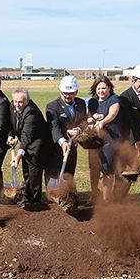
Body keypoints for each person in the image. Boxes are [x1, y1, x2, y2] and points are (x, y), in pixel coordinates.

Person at [45, 75, 87, 210]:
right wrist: (63, 142)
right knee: (54, 175)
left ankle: (68, 199)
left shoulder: (81, 104)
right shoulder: (52, 106)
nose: (68, 96)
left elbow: (84, 121)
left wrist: (79, 129)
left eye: (71, 93)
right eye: (65, 93)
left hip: (72, 147)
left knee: (68, 173)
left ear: (76, 92)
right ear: (60, 92)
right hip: (55, 148)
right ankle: (54, 201)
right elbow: (54, 128)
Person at [9, 88, 52, 205]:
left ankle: (34, 201)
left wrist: (18, 154)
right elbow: (12, 123)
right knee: (26, 171)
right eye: (15, 101)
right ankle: (27, 197)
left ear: (27, 101)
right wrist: (11, 135)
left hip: (38, 145)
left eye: (20, 102)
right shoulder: (12, 106)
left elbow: (27, 135)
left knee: (34, 173)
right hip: (26, 143)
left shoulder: (31, 112)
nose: (17, 104)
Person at [117, 64, 140, 199]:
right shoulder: (125, 97)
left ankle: (122, 196)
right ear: (133, 80)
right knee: (125, 168)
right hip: (127, 138)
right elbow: (126, 122)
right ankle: (117, 196)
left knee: (133, 167)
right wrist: (136, 141)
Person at [87, 76, 122, 203]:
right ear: (95, 89)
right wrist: (91, 120)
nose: (101, 91)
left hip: (110, 140)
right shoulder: (92, 102)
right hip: (95, 140)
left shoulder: (114, 100)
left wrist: (102, 122)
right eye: (99, 88)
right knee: (94, 167)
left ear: (109, 88)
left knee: (107, 169)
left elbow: (112, 114)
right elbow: (89, 118)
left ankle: (106, 199)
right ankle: (94, 194)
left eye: (104, 88)